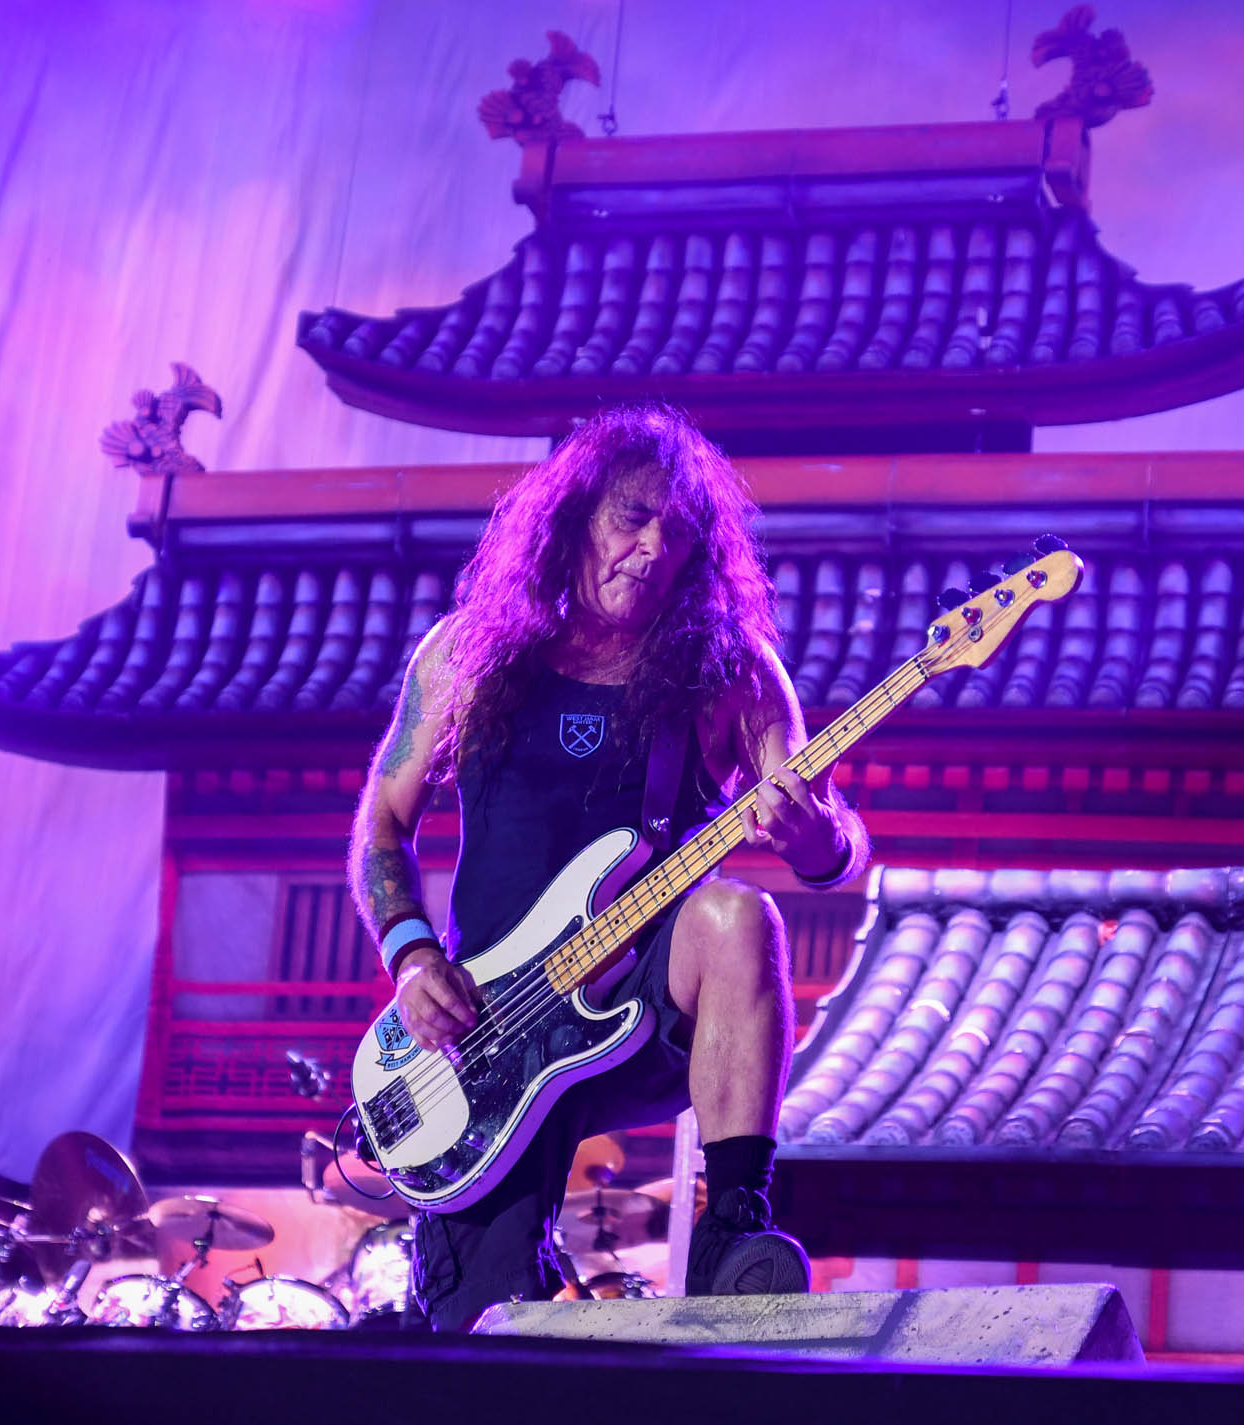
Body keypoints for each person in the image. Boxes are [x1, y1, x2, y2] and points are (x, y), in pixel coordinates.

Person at [347, 404, 869, 1330]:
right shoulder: (466, 653)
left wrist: (811, 836)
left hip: (645, 1000)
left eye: (680, 533)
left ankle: (734, 1226)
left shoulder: (728, 668)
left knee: (738, 916)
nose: (654, 548)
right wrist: (414, 956)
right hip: (492, 1031)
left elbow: (840, 842)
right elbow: (382, 822)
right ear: (575, 514)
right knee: (481, 1329)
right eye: (633, 516)